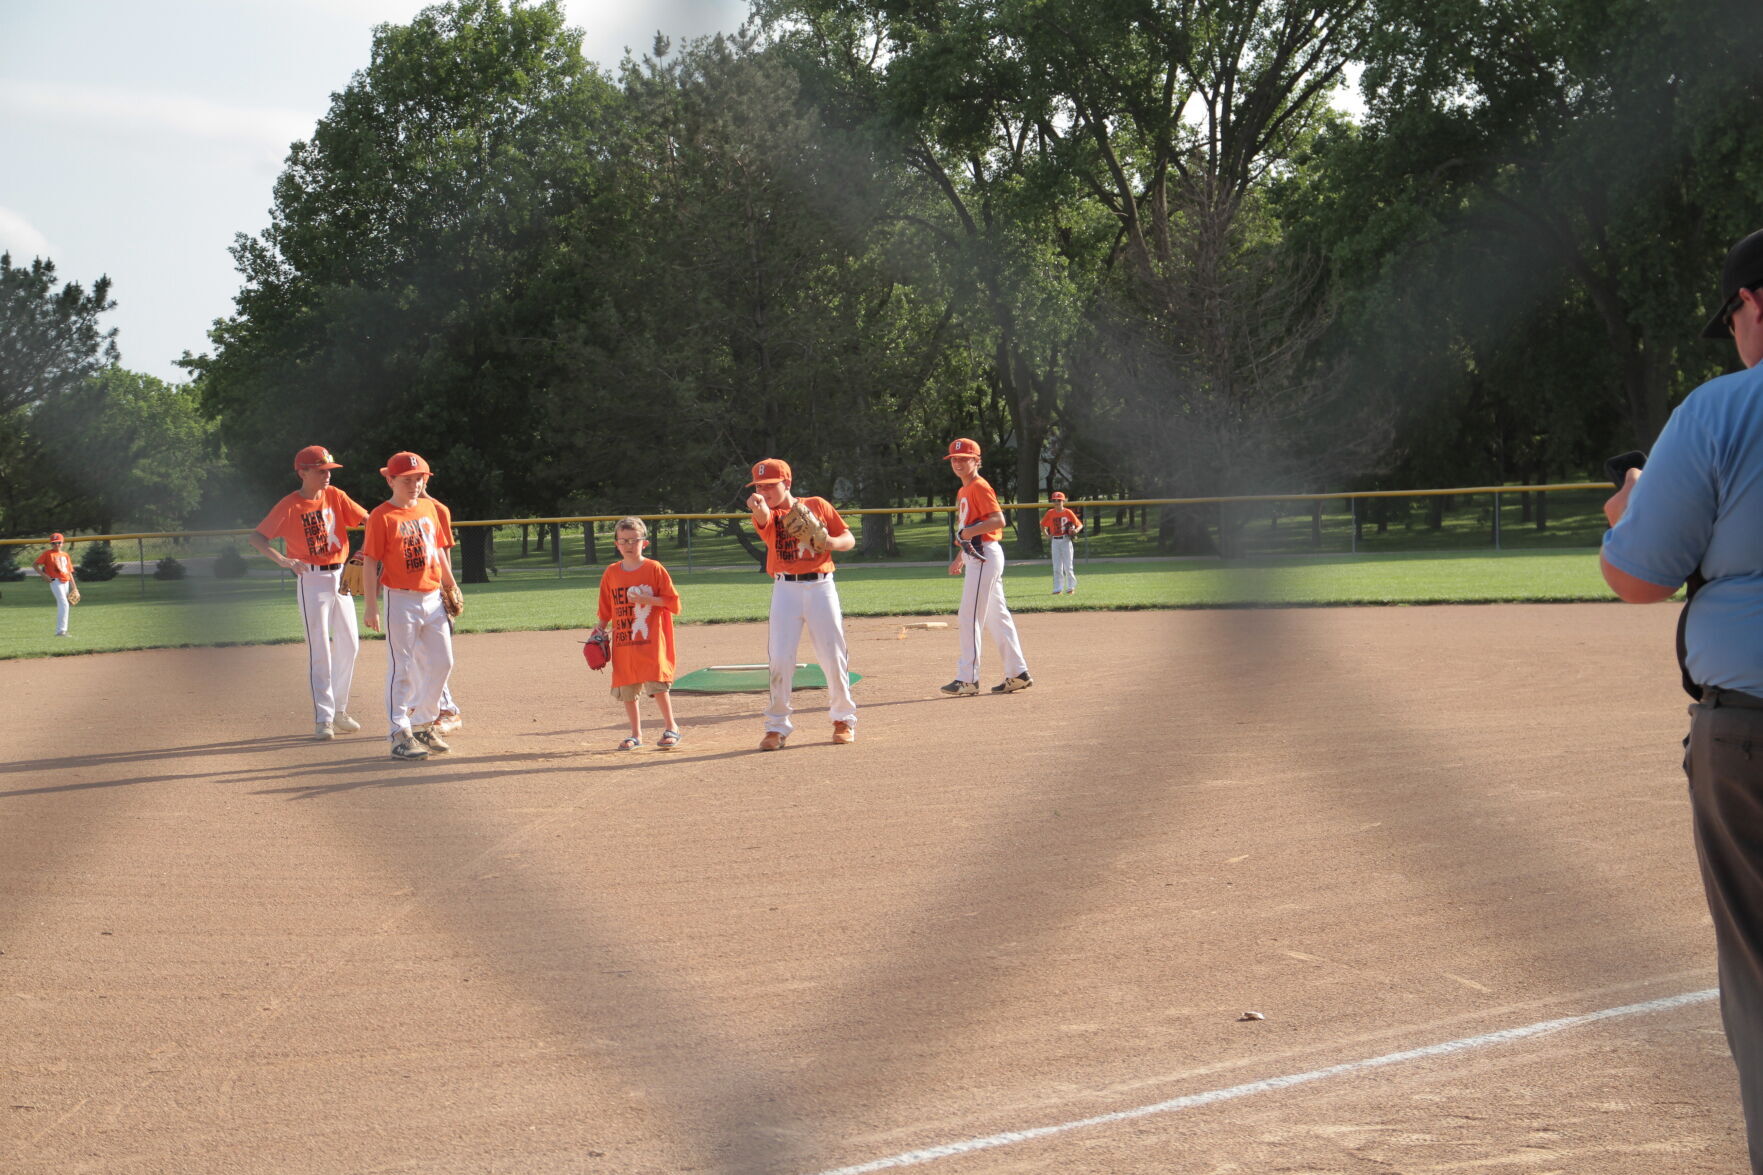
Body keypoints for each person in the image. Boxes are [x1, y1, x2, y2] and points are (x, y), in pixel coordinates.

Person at [1601, 226, 1763, 1173]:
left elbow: (1636, 580)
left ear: (1755, 303)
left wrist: (1630, 509)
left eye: (1733, 314)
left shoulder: (1719, 410)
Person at [249, 445, 371, 740]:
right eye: (320, 470)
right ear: (302, 472)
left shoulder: (336, 496)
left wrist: (366, 551)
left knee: (350, 645)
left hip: (340, 577)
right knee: (320, 649)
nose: (327, 475)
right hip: (311, 579)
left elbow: (369, 520)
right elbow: (257, 537)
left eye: (329, 470)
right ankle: (324, 718)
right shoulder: (290, 504)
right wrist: (283, 560)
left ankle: (340, 709)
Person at [745, 458, 858, 750]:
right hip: (785, 590)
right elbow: (762, 520)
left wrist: (829, 542)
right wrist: (759, 508)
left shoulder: (818, 505)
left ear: (788, 483)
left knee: (833, 656)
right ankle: (776, 727)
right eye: (759, 485)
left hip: (821, 586)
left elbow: (849, 538)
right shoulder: (768, 514)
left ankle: (843, 719)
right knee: (780, 659)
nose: (764, 490)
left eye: (770, 485)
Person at [360, 451, 459, 762]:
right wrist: (371, 606)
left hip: (432, 598)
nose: (415, 484)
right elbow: (371, 561)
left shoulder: (429, 508)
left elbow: (438, 551)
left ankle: (422, 723)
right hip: (400, 599)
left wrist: (450, 585)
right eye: (407, 479)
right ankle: (398, 733)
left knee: (443, 662)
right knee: (400, 668)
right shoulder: (382, 516)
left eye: (420, 478)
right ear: (390, 480)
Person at [940, 437, 1032, 696]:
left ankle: (967, 678)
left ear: (976, 461)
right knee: (997, 617)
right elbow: (967, 529)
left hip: (983, 556)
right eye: (954, 459)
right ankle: (1017, 673)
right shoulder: (964, 490)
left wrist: (968, 535)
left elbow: (998, 520)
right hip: (977, 555)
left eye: (964, 458)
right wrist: (960, 556)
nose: (958, 463)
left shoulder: (979, 486)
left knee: (969, 615)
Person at [593, 516, 682, 750]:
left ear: (644, 543)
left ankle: (671, 727)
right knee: (627, 688)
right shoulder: (611, 573)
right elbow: (605, 607)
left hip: (651, 641)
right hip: (624, 642)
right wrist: (599, 629)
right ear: (616, 545)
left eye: (634, 540)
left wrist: (647, 599)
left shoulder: (654, 569)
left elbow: (674, 604)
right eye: (623, 540)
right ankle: (635, 734)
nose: (629, 545)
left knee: (657, 685)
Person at [1040, 491, 1084, 595]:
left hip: (1065, 540)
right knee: (1056, 566)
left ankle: (1070, 588)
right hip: (1055, 540)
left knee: (1068, 566)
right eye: (1054, 500)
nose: (1056, 502)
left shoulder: (1068, 512)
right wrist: (1046, 535)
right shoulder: (1050, 512)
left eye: (1059, 500)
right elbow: (1042, 525)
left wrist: (1076, 531)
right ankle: (1057, 589)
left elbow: (1080, 525)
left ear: (1063, 501)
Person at [34, 532, 74, 637]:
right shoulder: (48, 554)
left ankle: (62, 630)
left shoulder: (65, 555)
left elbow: (69, 571)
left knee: (65, 604)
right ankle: (61, 631)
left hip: (66, 581)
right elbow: (35, 564)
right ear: (51, 544)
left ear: (63, 543)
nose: (56, 545)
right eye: (54, 543)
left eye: (58, 542)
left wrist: (75, 587)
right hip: (55, 581)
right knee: (64, 604)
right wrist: (43, 575)